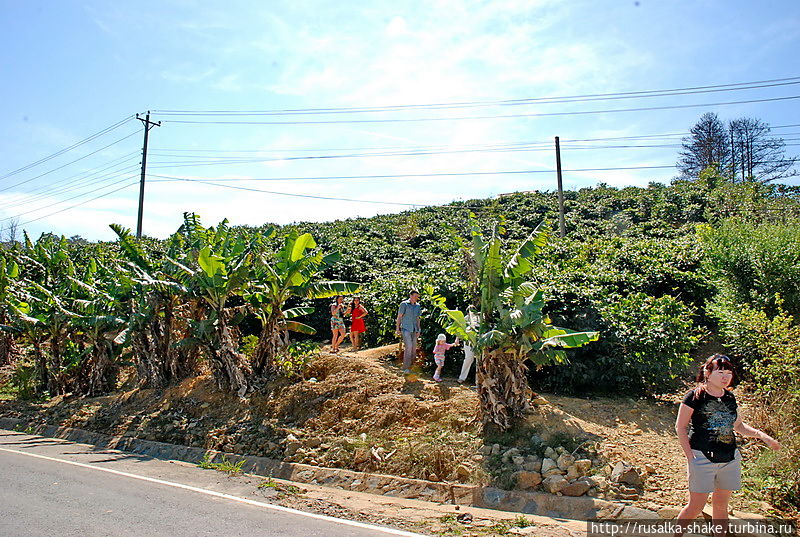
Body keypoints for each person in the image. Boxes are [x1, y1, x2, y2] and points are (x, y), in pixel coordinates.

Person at [674, 354, 780, 536]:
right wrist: (690, 457)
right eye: (720, 371)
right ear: (707, 373)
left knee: (721, 505)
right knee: (696, 506)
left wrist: (763, 436)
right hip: (702, 457)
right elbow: (680, 427)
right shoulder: (694, 396)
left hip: (730, 458)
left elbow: (738, 426)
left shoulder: (730, 397)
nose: (725, 376)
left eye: (729, 373)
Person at [395, 290, 422, 373]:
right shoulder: (404, 304)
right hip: (406, 328)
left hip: (414, 329)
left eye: (417, 297)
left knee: (414, 348)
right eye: (415, 296)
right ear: (410, 296)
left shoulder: (417, 306)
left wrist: (419, 329)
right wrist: (397, 328)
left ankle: (412, 366)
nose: (416, 298)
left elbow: (418, 318)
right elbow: (399, 317)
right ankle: (405, 367)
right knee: (409, 347)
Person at [458, 305, 479, 384]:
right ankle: (462, 378)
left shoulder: (479, 318)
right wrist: (457, 339)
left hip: (479, 341)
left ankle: (478, 381)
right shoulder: (466, 319)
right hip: (468, 341)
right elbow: (460, 329)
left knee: (479, 360)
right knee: (469, 358)